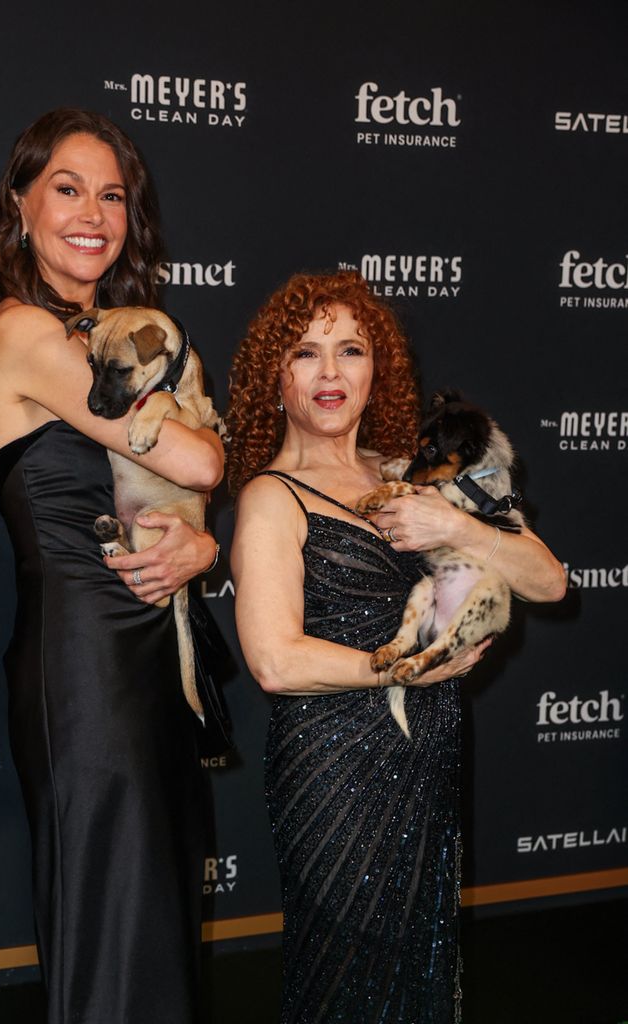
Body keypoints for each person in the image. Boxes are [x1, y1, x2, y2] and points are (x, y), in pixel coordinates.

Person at [225, 271, 565, 1023]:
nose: (331, 373)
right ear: (272, 377)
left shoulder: (412, 478)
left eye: (350, 350)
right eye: (305, 353)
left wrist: (460, 528)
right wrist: (409, 670)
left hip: (428, 764)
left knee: (420, 971)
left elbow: (547, 580)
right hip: (335, 772)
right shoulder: (270, 498)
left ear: (379, 369)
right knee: (342, 977)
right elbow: (275, 662)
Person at [0, 108, 223, 1024]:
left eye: (112, 194)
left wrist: (202, 547)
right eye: (66, 188)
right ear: (20, 204)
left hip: (152, 649)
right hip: (82, 664)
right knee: (108, 910)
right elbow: (197, 460)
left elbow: (184, 491)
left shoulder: (107, 332)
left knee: (156, 906)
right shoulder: (19, 335)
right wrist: (198, 469)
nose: (93, 212)